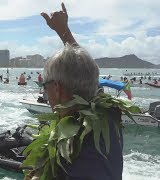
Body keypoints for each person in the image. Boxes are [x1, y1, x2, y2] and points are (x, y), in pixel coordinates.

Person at [26, 3, 123, 179]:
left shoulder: (73, 158)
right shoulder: (106, 116)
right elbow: (86, 71)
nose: (45, 92)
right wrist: (64, 30)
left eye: (45, 85)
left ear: (56, 87)